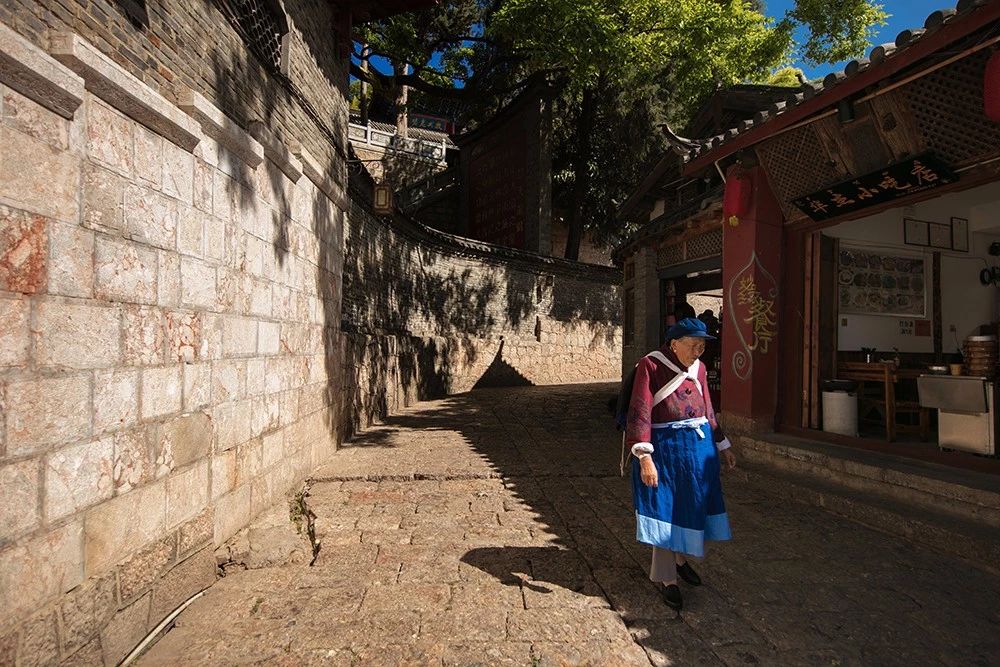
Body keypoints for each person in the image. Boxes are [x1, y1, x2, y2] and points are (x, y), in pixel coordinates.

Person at [625, 317, 736, 611]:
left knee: (693, 505)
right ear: (674, 344)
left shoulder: (699, 368)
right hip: (666, 451)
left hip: (699, 452)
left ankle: (681, 557)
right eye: (693, 345)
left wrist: (722, 444)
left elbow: (708, 408)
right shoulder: (651, 365)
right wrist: (645, 457)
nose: (698, 351)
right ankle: (667, 578)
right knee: (664, 509)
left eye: (702, 345)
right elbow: (639, 410)